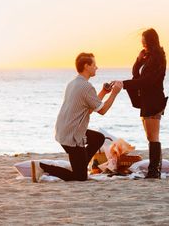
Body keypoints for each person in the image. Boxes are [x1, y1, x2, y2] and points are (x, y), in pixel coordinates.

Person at [32, 52, 122, 182]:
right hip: (72, 137)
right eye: (94, 65)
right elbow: (102, 111)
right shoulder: (86, 87)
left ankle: (81, 164)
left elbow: (89, 109)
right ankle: (42, 167)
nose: (97, 67)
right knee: (80, 177)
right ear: (86, 66)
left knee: (98, 138)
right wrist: (114, 93)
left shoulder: (74, 83)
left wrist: (104, 92)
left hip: (64, 130)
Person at [121, 28, 168, 179]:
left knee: (153, 137)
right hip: (146, 100)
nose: (142, 42)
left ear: (150, 40)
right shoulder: (149, 57)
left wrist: (124, 84)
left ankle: (154, 171)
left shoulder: (158, 57)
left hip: (154, 100)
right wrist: (138, 61)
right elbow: (137, 76)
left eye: (143, 39)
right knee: (150, 137)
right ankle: (154, 170)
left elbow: (146, 81)